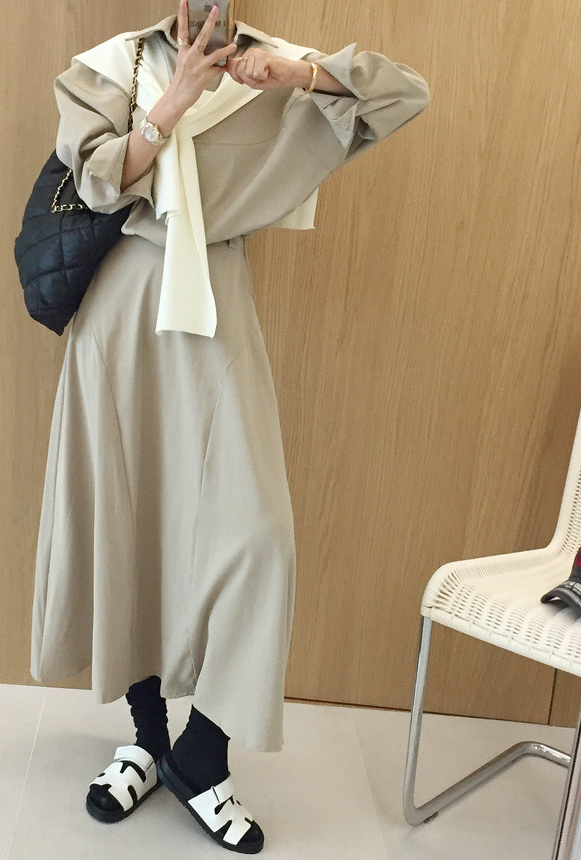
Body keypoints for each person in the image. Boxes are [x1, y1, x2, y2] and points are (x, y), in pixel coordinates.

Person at [29, 1, 429, 852]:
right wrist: (170, 102)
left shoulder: (273, 71)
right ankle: (147, 739)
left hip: (215, 309)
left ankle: (200, 755)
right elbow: (94, 180)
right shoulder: (110, 66)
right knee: (128, 525)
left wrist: (301, 74)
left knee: (259, 535)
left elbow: (403, 94)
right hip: (120, 315)